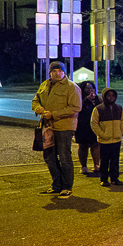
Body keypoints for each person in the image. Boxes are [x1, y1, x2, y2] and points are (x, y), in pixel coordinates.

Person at [31, 60, 82, 199]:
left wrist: (53, 114)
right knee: (49, 157)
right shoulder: (44, 85)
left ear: (64, 72)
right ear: (50, 73)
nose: (57, 73)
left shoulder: (71, 87)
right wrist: (38, 108)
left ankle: (67, 187)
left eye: (60, 71)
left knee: (64, 157)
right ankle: (56, 185)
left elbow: (76, 107)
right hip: (47, 127)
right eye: (54, 71)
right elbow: (35, 100)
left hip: (64, 127)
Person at [90, 87, 123, 187]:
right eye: (108, 95)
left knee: (115, 160)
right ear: (104, 96)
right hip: (104, 141)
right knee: (104, 160)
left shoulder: (119, 108)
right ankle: (104, 179)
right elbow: (94, 124)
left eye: (113, 95)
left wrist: (120, 132)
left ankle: (114, 178)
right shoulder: (98, 109)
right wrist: (102, 134)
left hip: (116, 139)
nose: (111, 97)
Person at [75, 81, 101, 175]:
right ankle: (84, 166)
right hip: (82, 126)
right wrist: (86, 99)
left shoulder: (97, 99)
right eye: (87, 88)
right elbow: (77, 108)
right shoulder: (79, 98)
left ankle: (96, 165)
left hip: (94, 125)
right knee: (83, 146)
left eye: (91, 87)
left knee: (95, 145)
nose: (90, 90)